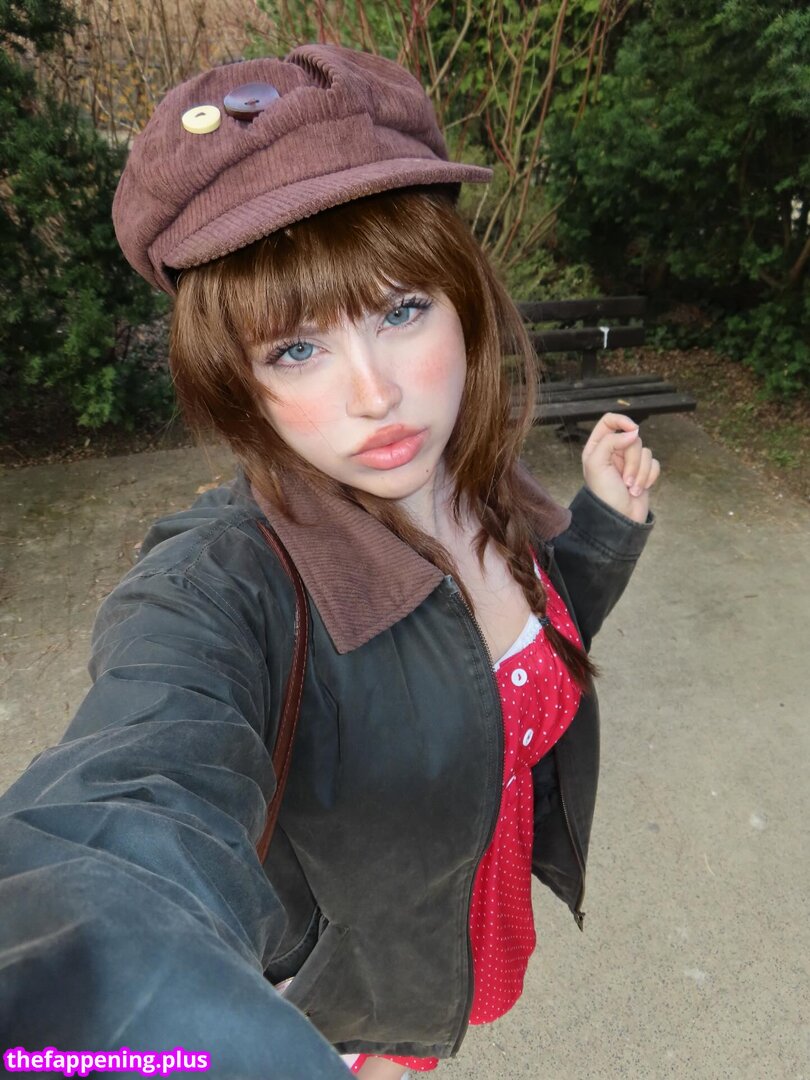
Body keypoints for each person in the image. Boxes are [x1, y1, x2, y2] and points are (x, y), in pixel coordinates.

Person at [0, 42, 659, 1079]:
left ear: (464, 303)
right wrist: (102, 1027)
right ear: (237, 381)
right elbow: (118, 813)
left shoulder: (475, 478)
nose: (375, 395)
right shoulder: (221, 586)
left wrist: (605, 526)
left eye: (402, 311)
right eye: (295, 348)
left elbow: (515, 649)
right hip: (352, 1015)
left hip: (470, 926)